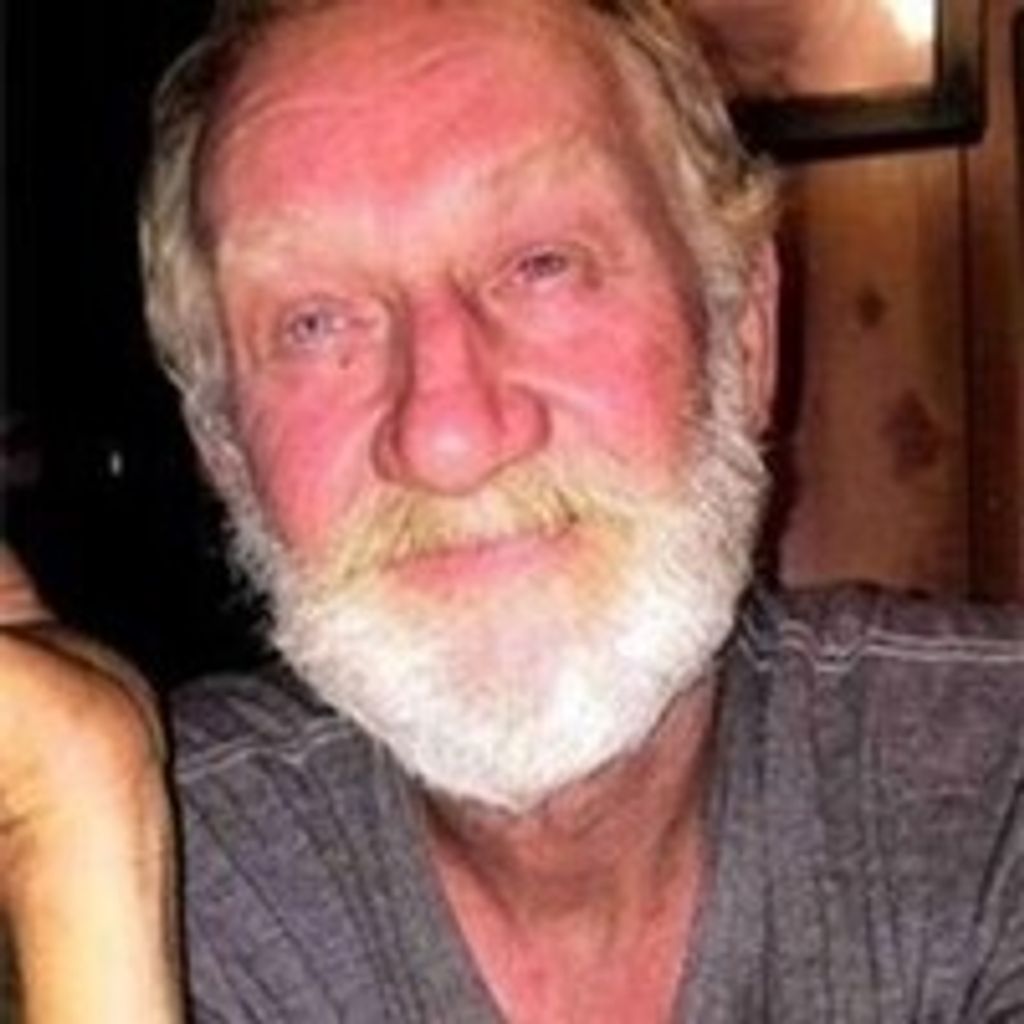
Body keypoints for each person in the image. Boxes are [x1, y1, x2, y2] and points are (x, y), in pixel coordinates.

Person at [2, 0, 1022, 1020]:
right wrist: (78, 849)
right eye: (314, 322)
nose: (447, 436)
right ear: (223, 447)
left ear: (742, 333)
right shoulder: (123, 855)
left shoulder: (992, 784)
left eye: (541, 266)